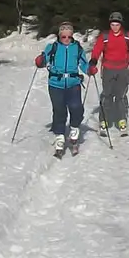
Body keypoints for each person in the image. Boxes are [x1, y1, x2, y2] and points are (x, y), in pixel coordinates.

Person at [34, 21, 88, 157]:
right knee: (59, 111)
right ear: (59, 36)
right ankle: (59, 138)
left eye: (69, 36)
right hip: (56, 84)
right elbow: (43, 59)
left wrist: (90, 69)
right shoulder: (52, 47)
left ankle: (74, 129)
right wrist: (40, 61)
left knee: (76, 107)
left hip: (73, 83)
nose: (66, 39)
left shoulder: (77, 48)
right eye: (64, 36)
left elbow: (83, 64)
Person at [88, 12, 129, 135]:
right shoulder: (105, 36)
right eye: (112, 24)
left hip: (122, 69)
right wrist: (94, 59)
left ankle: (122, 120)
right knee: (107, 95)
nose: (115, 27)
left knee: (120, 95)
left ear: (121, 24)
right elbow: (97, 49)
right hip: (108, 69)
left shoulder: (127, 36)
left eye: (117, 24)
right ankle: (104, 121)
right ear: (110, 24)